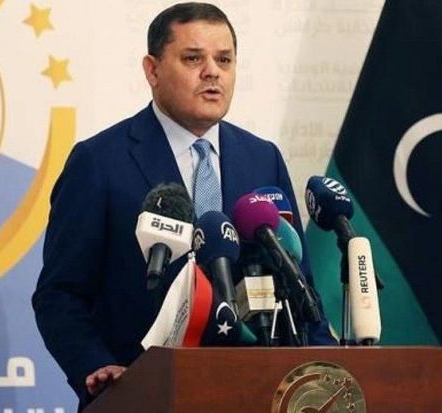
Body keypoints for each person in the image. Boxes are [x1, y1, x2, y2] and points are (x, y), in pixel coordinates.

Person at [32, 2, 336, 410]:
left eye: (224, 60)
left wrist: (328, 375)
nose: (212, 72)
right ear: (152, 70)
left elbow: (300, 286)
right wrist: (96, 367)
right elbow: (60, 295)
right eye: (193, 58)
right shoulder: (99, 163)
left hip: (256, 393)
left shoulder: (263, 159)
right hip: (142, 397)